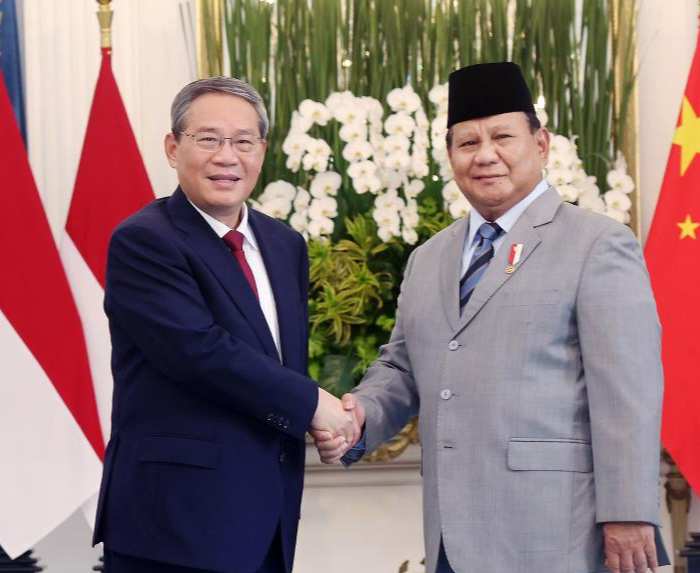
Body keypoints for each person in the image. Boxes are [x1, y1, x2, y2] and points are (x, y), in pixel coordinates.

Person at [313, 62, 669, 573]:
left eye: (503, 136)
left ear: (541, 144)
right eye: (467, 142)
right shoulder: (428, 258)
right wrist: (358, 417)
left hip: (559, 532)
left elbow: (627, 390)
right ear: (451, 155)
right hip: (450, 535)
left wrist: (629, 512)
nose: (485, 155)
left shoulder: (596, 244)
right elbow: (402, 367)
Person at [93, 77, 358, 573]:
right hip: (173, 525)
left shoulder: (285, 245)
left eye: (243, 141)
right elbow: (198, 352)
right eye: (208, 139)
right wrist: (313, 405)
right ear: (173, 148)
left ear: (262, 150)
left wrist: (316, 415)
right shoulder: (143, 241)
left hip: (268, 518)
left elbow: (278, 362)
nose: (226, 156)